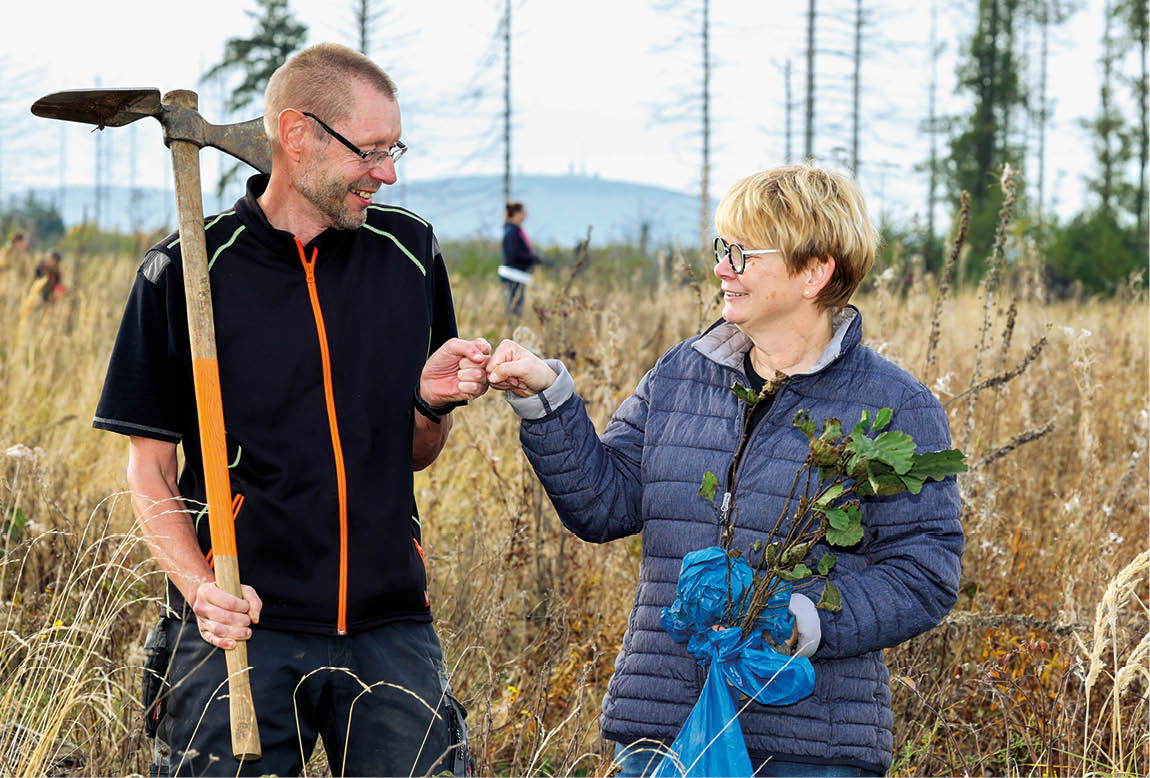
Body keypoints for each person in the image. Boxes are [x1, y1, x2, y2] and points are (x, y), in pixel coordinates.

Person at [485, 165, 964, 777]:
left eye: (742, 253)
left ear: (813, 271)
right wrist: (547, 400)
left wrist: (798, 619)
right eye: (721, 248)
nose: (721, 267)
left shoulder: (895, 407)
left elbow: (923, 575)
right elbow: (603, 506)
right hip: (664, 731)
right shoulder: (682, 373)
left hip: (807, 745)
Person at [93, 43, 488, 777]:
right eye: (369, 151)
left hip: (389, 623)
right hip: (242, 625)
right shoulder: (184, 270)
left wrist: (429, 402)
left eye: (393, 148)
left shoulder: (410, 253)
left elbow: (413, 452)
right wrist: (201, 590)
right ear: (297, 135)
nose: (388, 172)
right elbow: (148, 468)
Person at [499, 201, 542, 318]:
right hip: (514, 276)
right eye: (524, 212)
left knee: (515, 309)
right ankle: (511, 330)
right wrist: (534, 259)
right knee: (514, 311)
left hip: (517, 276)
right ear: (517, 214)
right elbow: (515, 254)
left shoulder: (513, 230)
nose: (526, 215)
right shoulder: (512, 231)